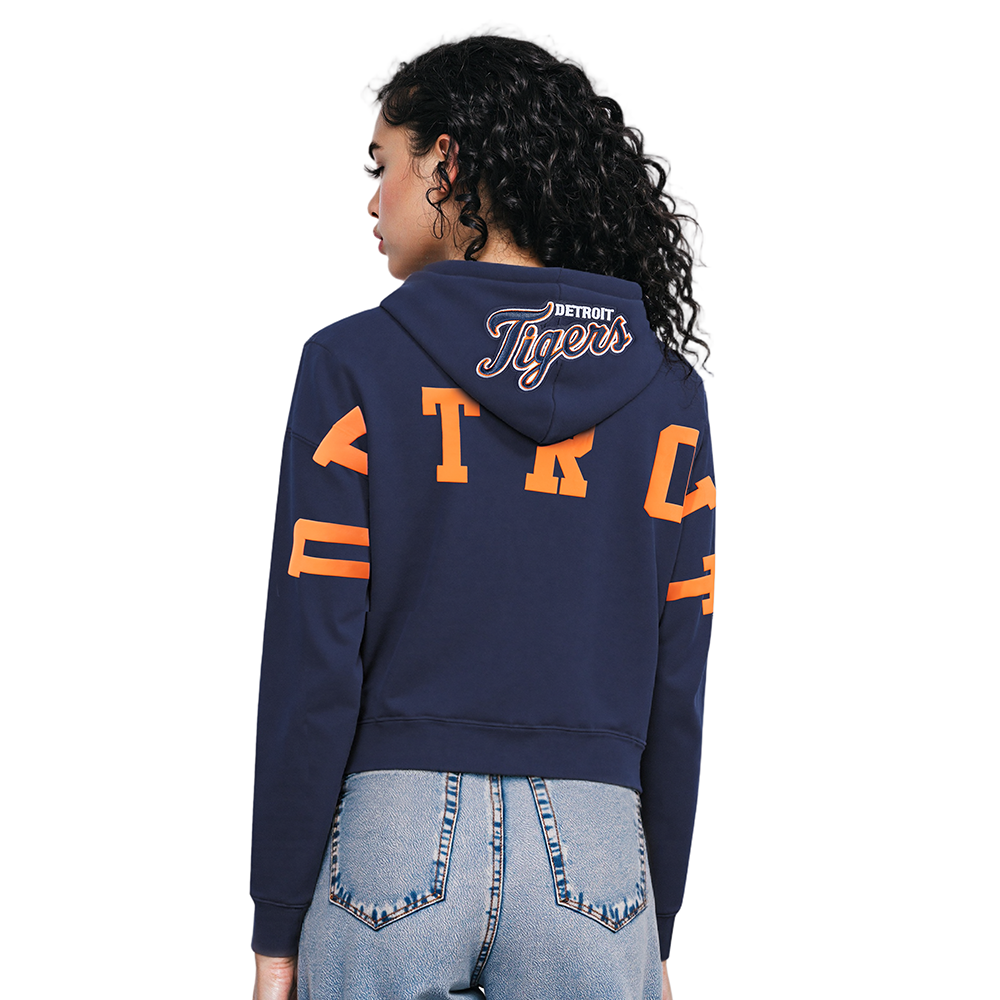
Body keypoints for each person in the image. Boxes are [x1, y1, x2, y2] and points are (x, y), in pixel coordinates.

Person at [250, 34, 714, 1000]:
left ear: (449, 166)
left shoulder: (350, 368)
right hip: (597, 853)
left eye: (384, 165)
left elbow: (312, 660)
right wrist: (655, 923)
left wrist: (276, 923)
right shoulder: (667, 395)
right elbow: (678, 678)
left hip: (391, 841)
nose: (373, 201)